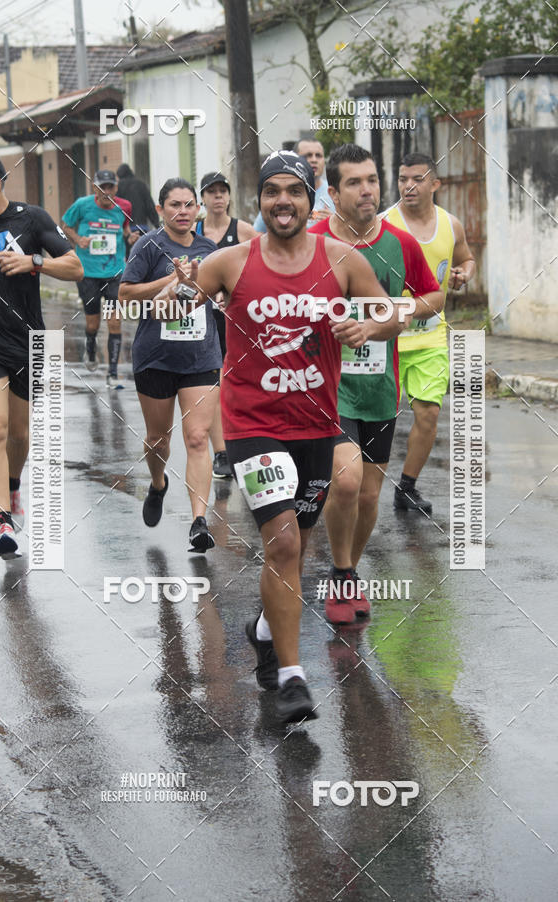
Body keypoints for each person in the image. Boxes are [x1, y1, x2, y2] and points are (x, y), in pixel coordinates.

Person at [155, 150, 399, 723]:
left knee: (298, 543)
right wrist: (177, 290)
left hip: (316, 423)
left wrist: (369, 323)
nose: (282, 201)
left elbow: (392, 313)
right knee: (283, 544)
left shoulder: (340, 260)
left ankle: (265, 628)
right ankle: (293, 677)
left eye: (294, 190)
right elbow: (179, 304)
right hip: (253, 426)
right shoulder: (230, 262)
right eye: (272, 192)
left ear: (310, 197)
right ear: (258, 200)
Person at [309, 144, 443, 625]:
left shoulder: (400, 243)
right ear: (333, 191)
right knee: (344, 482)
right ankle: (342, 573)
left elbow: (434, 293)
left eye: (372, 180)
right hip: (326, 386)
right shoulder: (313, 240)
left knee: (368, 496)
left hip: (378, 386)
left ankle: (345, 569)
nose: (367, 190)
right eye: (354, 182)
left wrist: (396, 313)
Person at [0, 148, 82, 558]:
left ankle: (12, 486)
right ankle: (2, 522)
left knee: (18, 433)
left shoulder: (32, 218)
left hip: (27, 339)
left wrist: (34, 262)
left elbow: (75, 266)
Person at [118, 177, 221, 553]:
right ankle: (158, 482)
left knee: (196, 438)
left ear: (198, 209)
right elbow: (126, 294)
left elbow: (222, 290)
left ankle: (198, 522)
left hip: (201, 357)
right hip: (155, 357)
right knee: (159, 438)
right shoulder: (148, 246)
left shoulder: (209, 249)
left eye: (189, 204)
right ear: (161, 210)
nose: (183, 211)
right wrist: (170, 279)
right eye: (174, 205)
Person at [384, 152, 476, 513]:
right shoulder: (383, 224)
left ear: (435, 184)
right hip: (386, 339)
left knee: (428, 414)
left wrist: (464, 273)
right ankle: (357, 483)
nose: (408, 185)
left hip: (432, 336)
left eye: (417, 179)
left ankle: (406, 486)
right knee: (378, 421)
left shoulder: (451, 225)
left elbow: (466, 257)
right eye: (403, 179)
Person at [197, 171, 257, 479]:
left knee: (237, 383)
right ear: (203, 198)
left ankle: (245, 444)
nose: (218, 197)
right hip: (202, 319)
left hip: (237, 319)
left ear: (229, 197)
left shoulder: (243, 230)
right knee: (213, 384)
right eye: (212, 192)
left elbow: (265, 264)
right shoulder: (193, 232)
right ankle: (221, 453)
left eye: (223, 191)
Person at [61, 170, 127, 389]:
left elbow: (126, 230)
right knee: (93, 323)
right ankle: (90, 346)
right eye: (102, 187)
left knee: (115, 322)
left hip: (115, 272)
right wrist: (78, 239)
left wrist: (131, 236)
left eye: (110, 187)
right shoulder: (82, 205)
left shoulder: (124, 208)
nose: (106, 192)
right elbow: (65, 225)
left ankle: (113, 373)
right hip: (87, 272)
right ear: (94, 188)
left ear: (116, 188)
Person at [253, 139, 334, 232]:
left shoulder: (335, 193)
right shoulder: (276, 195)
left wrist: (334, 223)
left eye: (318, 156)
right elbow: (256, 233)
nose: (314, 160)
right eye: (308, 155)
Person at [116, 163, 160, 247]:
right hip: (142, 228)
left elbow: (116, 208)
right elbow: (150, 206)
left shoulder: (118, 187)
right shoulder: (141, 185)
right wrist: (157, 225)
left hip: (126, 231)